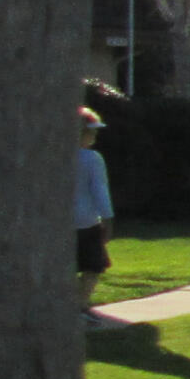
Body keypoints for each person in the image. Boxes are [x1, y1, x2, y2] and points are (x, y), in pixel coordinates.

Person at [75, 103, 115, 317]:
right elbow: (100, 190)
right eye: (92, 132)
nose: (95, 137)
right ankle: (80, 304)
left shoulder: (50, 156)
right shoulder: (92, 159)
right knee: (94, 265)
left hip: (56, 221)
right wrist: (108, 220)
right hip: (87, 221)